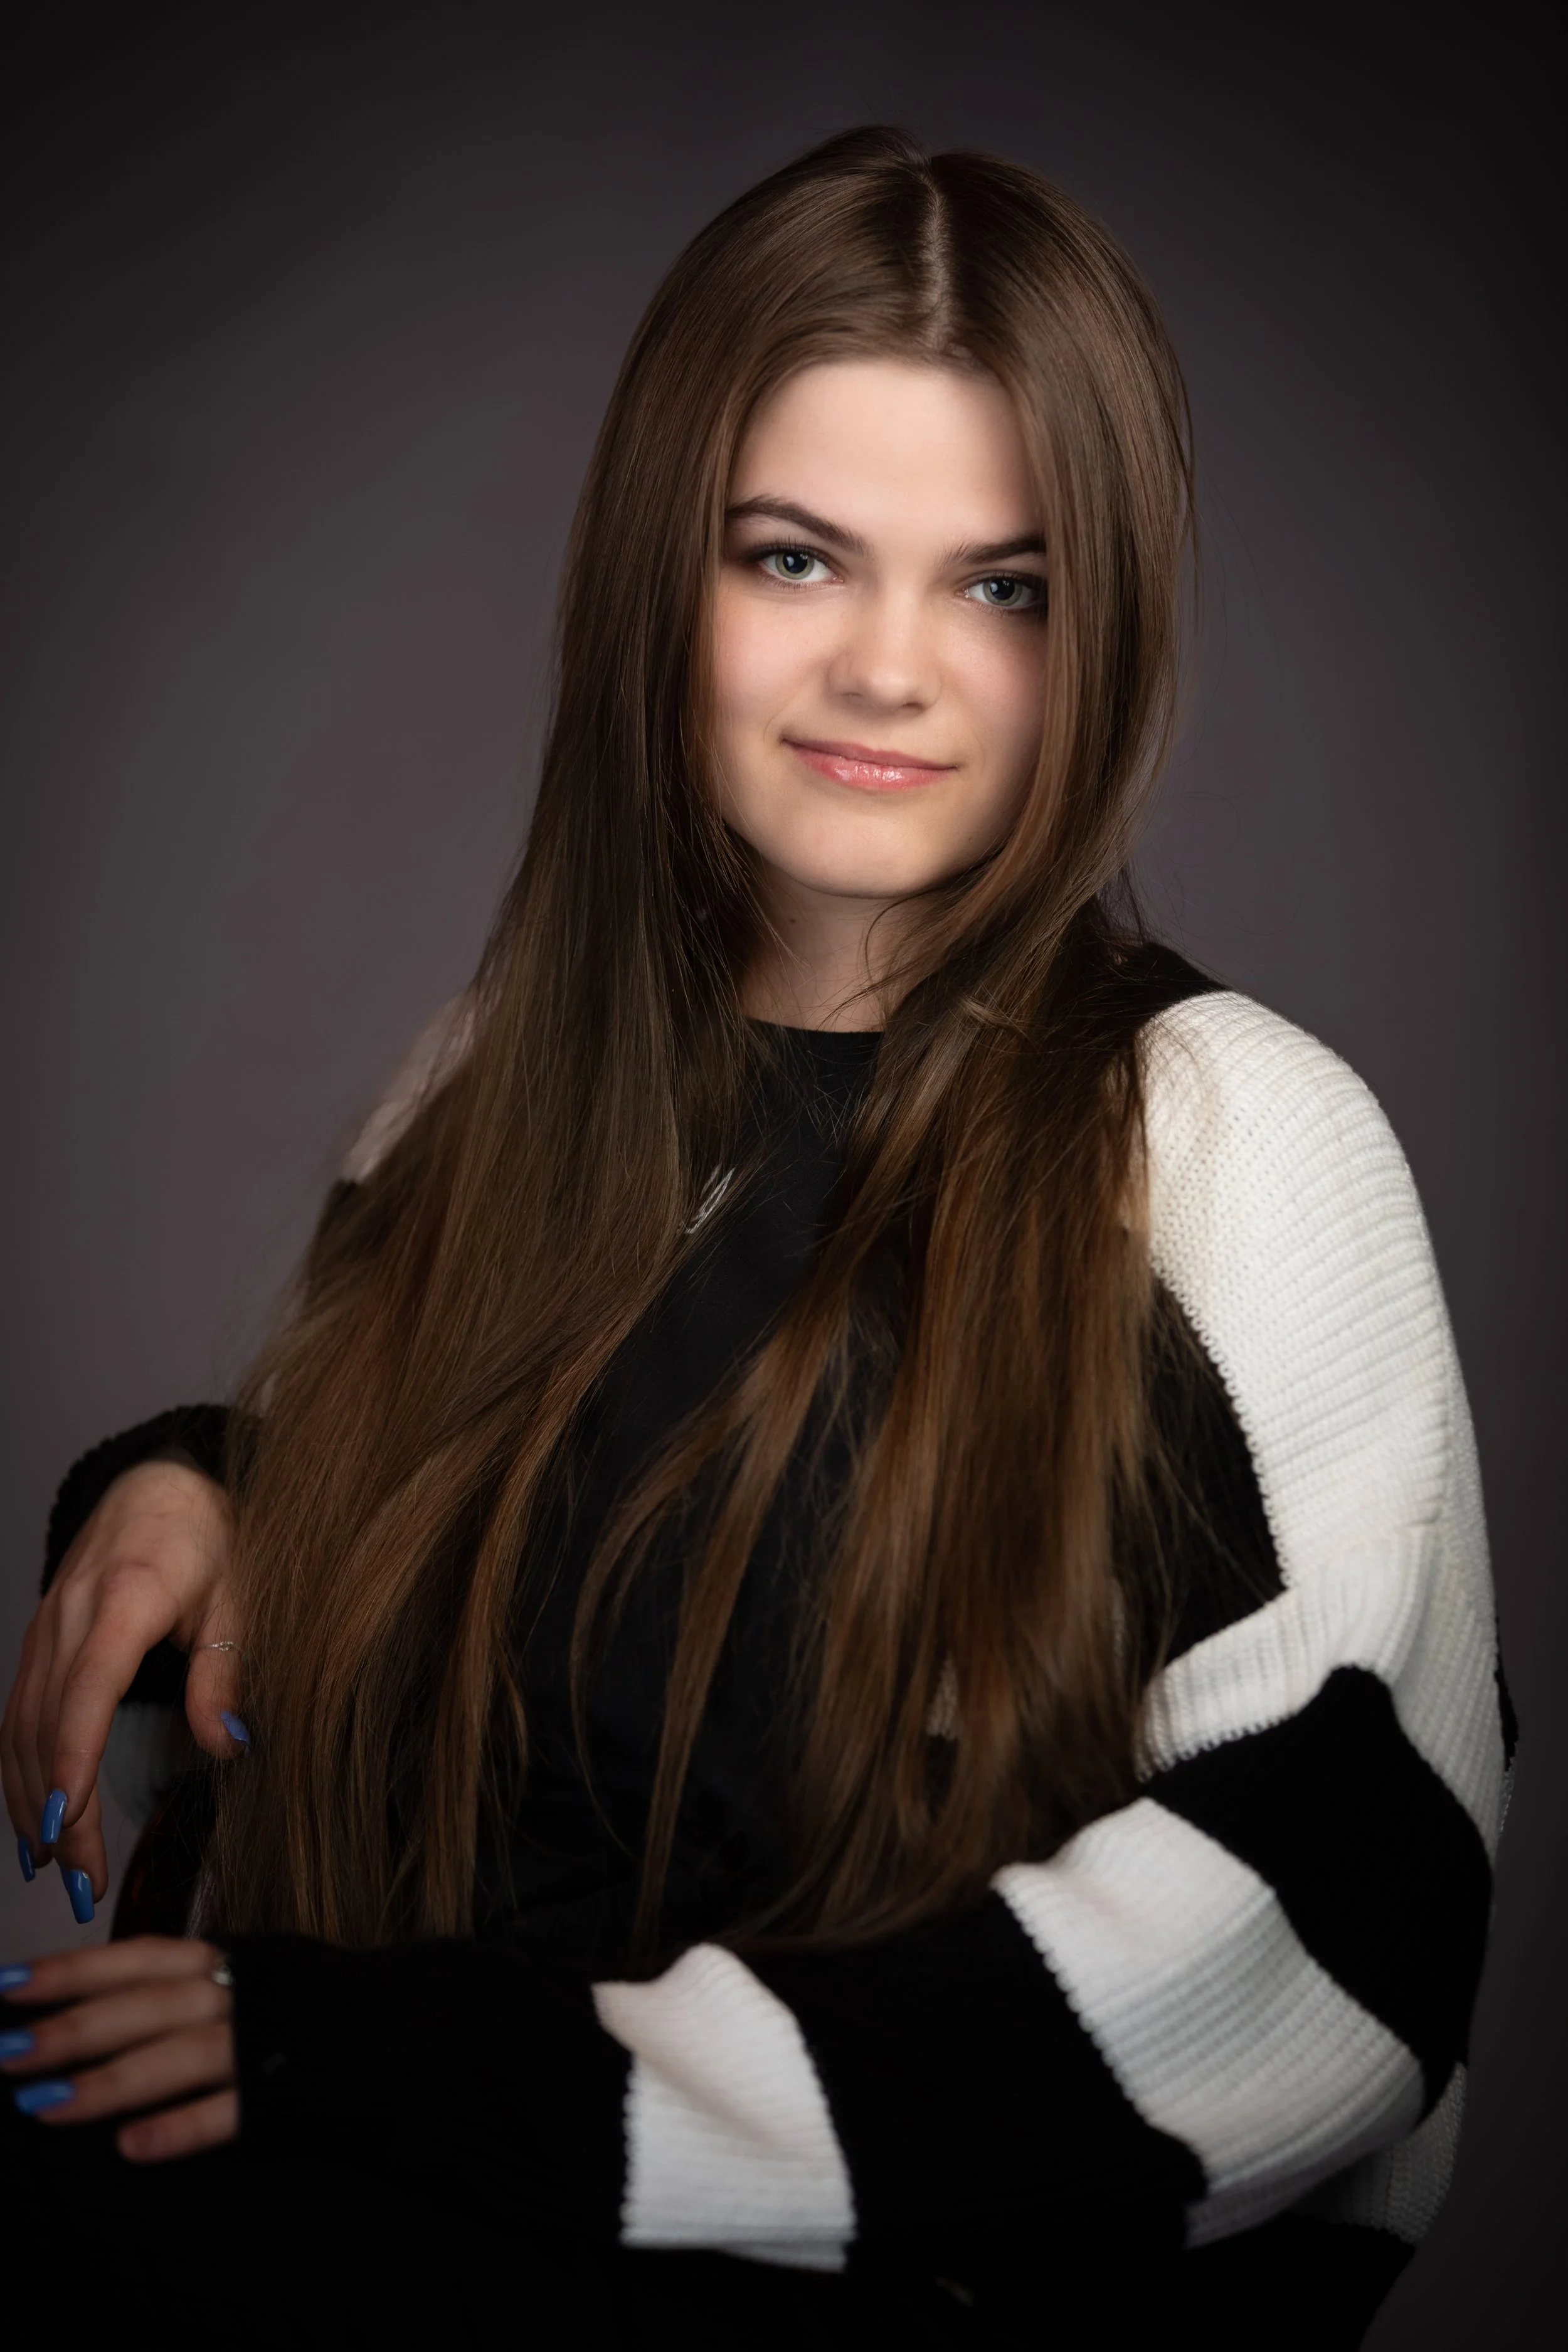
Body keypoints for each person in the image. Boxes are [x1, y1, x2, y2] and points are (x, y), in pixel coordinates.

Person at [0, 128, 1508, 2345]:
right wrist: (212, 1491)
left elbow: (1328, 1953)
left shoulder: (1232, 1142)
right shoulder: (487, 1079)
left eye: (1001, 584)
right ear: (657, 584)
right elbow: (448, 1728)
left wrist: (464, 2077)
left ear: (1106, 630)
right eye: (794, 558)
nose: (888, 668)